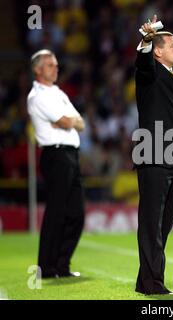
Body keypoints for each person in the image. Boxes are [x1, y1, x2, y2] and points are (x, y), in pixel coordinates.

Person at [134, 15, 173, 295]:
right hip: (153, 155)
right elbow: (142, 63)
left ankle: (144, 279)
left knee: (164, 225)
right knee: (151, 224)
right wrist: (146, 38)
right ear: (159, 51)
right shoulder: (150, 74)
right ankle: (153, 284)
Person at [27, 49, 85, 279]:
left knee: (77, 214)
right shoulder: (36, 96)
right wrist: (67, 122)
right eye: (50, 65)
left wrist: (68, 122)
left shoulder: (58, 92)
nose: (56, 68)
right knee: (57, 213)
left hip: (71, 154)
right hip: (56, 155)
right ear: (37, 69)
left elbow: (79, 122)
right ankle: (47, 267)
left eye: (56, 64)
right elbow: (64, 120)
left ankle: (61, 265)